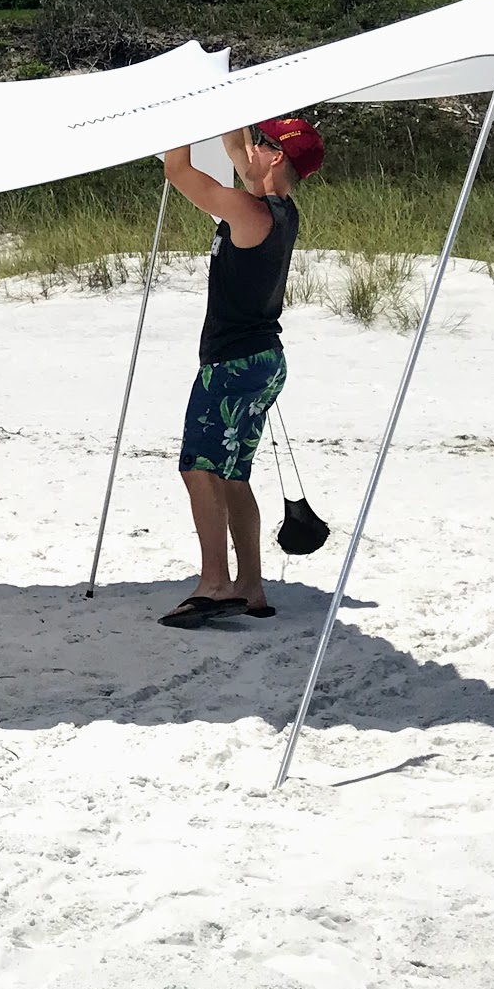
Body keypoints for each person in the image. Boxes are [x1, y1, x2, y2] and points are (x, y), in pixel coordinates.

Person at [158, 117, 324, 630]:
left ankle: (214, 583)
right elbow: (234, 144)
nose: (243, 149)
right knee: (232, 475)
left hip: (233, 365)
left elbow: (179, 170)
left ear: (274, 157)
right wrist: (230, 107)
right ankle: (251, 586)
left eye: (257, 143)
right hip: (263, 363)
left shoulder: (251, 213)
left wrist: (174, 112)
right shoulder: (279, 210)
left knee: (199, 467)